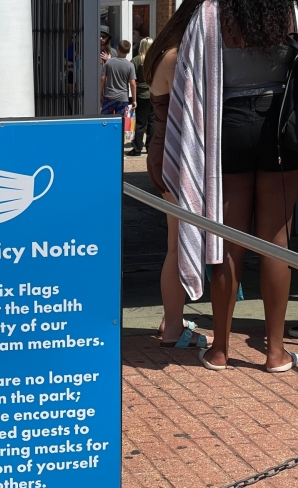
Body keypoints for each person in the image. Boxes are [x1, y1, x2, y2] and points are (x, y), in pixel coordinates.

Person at [197, 0, 298, 372]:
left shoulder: (216, 13)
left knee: (228, 240)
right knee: (276, 242)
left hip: (231, 122)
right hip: (281, 123)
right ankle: (276, 353)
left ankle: (220, 350)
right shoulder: (288, 12)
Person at [143, 0, 211, 347]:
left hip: (161, 150)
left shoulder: (161, 54)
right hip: (174, 157)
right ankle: (172, 329)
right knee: (176, 246)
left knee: (175, 242)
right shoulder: (177, 57)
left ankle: (171, 319)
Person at [129, 38, 155, 156]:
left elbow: (131, 77)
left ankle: (137, 148)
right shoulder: (156, 59)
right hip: (154, 93)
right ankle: (150, 147)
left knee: (140, 123)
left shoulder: (136, 60)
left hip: (141, 94)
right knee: (152, 122)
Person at [101, 40, 137, 117]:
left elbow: (102, 79)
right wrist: (134, 100)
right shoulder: (130, 65)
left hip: (109, 96)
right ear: (128, 51)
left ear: (117, 49)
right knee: (121, 121)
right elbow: (133, 83)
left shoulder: (109, 62)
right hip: (123, 98)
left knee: (106, 120)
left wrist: (100, 94)